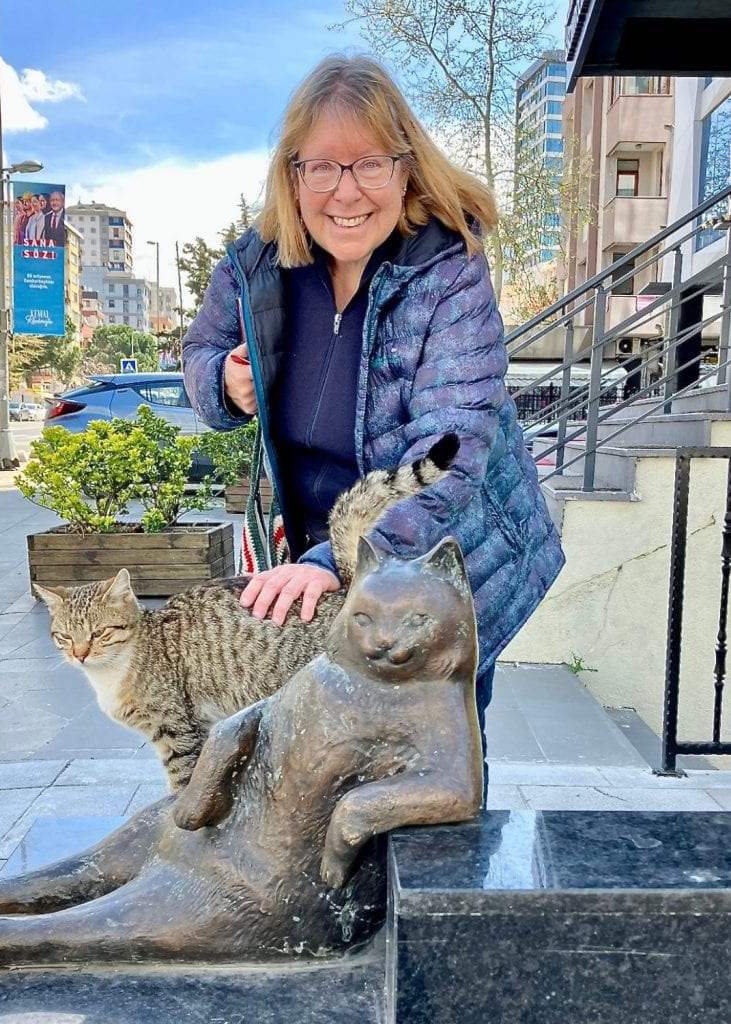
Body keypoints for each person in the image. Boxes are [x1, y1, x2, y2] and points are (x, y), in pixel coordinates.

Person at [182, 54, 564, 785]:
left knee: (428, 774)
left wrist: (335, 563)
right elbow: (199, 352)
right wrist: (221, 385)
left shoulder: (448, 270)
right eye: (321, 167)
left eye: (368, 165)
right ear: (292, 176)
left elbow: (454, 446)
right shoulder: (252, 265)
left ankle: (430, 899)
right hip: (319, 561)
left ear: (406, 169)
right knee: (324, 760)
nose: (344, 192)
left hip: (441, 559)